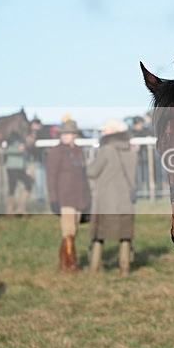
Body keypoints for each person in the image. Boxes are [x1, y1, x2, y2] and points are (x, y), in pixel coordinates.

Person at [86, 118, 137, 275]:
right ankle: (125, 268)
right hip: (125, 200)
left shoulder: (106, 150)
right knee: (125, 235)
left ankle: (94, 268)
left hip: (106, 200)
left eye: (105, 130)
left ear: (113, 131)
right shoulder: (131, 151)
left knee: (99, 235)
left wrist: (89, 161)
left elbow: (91, 172)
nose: (102, 132)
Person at [46, 119, 91, 272]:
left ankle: (64, 263)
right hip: (64, 196)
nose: (65, 136)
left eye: (68, 133)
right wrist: (53, 199)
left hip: (79, 196)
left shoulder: (79, 151)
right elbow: (51, 177)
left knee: (74, 230)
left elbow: (84, 176)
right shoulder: (56, 152)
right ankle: (71, 264)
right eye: (63, 133)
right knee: (68, 230)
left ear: (74, 135)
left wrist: (88, 198)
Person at [3, 133, 34, 217]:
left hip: (21, 168)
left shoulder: (23, 141)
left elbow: (25, 155)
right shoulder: (10, 139)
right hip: (12, 167)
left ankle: (21, 207)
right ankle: (10, 210)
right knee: (12, 187)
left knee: (29, 184)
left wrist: (27, 167)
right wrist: (18, 149)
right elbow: (7, 151)